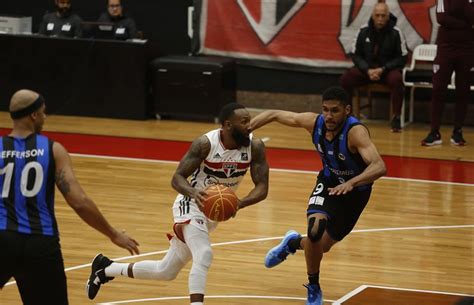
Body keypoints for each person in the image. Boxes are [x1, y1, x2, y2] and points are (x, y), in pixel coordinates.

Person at [86, 103, 269, 305]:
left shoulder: (255, 146)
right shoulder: (205, 144)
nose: (249, 126)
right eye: (243, 122)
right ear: (227, 125)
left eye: (249, 121)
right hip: (190, 204)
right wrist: (194, 193)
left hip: (211, 213)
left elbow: (262, 187)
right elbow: (177, 178)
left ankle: (106, 268)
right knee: (204, 253)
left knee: (165, 271)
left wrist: (240, 203)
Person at [0, 89, 140, 305]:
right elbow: (79, 202)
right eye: (43, 113)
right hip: (40, 242)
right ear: (33, 116)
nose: (45, 118)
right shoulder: (52, 150)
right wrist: (112, 234)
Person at [250, 86, 386, 305]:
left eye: (335, 110)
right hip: (328, 182)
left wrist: (352, 182)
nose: (329, 116)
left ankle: (292, 243)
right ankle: (313, 287)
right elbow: (274, 114)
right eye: (325, 110)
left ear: (347, 110)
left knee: (320, 247)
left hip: (355, 193)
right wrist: (245, 130)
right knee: (314, 231)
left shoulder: (355, 132)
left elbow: (379, 166)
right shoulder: (315, 123)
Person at [340, 2, 408, 132]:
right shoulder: (363, 31)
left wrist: (383, 69)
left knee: (397, 79)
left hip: (386, 72)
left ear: (388, 16)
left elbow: (402, 57)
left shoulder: (396, 32)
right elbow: (355, 54)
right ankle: (347, 116)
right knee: (346, 78)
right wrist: (367, 69)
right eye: (377, 15)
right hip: (367, 71)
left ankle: (396, 118)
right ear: (372, 16)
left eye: (383, 16)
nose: (380, 19)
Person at [421, 0, 474, 146]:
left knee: (463, 90)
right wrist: (466, 24)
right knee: (438, 89)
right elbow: (442, 18)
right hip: (445, 48)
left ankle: (458, 131)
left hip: (467, 49)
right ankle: (434, 132)